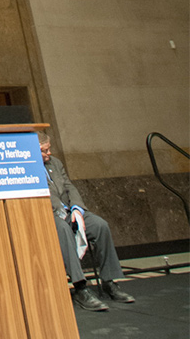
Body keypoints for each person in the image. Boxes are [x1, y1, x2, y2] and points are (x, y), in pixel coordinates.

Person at [39, 132, 134, 311]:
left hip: (69, 210)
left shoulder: (56, 163)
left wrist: (76, 208)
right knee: (63, 230)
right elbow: (44, 195)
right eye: (45, 150)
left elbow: (69, 187)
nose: (49, 153)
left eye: (49, 149)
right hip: (50, 215)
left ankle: (109, 281)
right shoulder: (27, 167)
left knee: (100, 226)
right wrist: (59, 210)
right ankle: (80, 287)